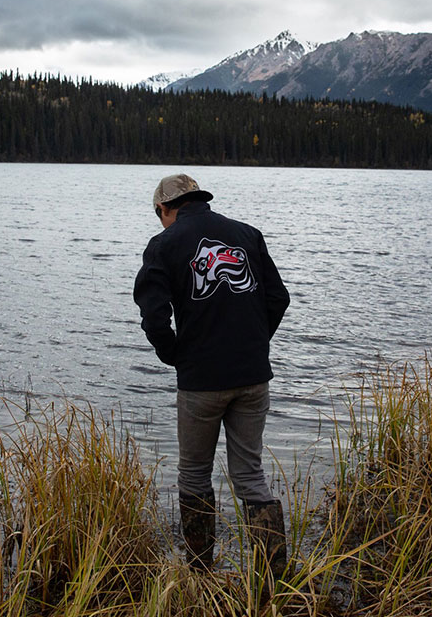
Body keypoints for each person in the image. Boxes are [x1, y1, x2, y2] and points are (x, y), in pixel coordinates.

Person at [133, 173, 291, 575]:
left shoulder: (164, 244)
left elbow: (153, 315)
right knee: (250, 475)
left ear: (165, 209)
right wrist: (255, 344)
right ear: (199, 200)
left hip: (201, 381)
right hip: (253, 375)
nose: (160, 221)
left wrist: (174, 355)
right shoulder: (248, 234)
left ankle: (200, 573)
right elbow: (278, 297)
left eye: (159, 215)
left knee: (194, 475)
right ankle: (273, 577)